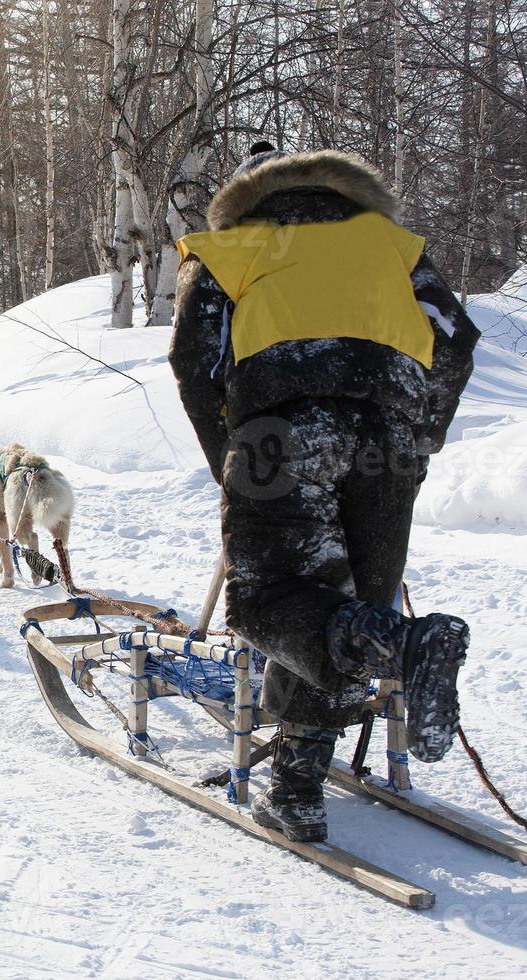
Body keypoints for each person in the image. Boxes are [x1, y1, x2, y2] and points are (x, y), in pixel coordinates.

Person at [169, 142, 481, 842]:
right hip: (390, 433)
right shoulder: (392, 246)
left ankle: (396, 646)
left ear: (247, 196)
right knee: (341, 604)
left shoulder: (229, 246)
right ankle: (297, 787)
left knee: (269, 599)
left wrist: (229, 455)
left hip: (280, 426)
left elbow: (193, 361)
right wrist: (418, 439)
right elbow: (454, 341)